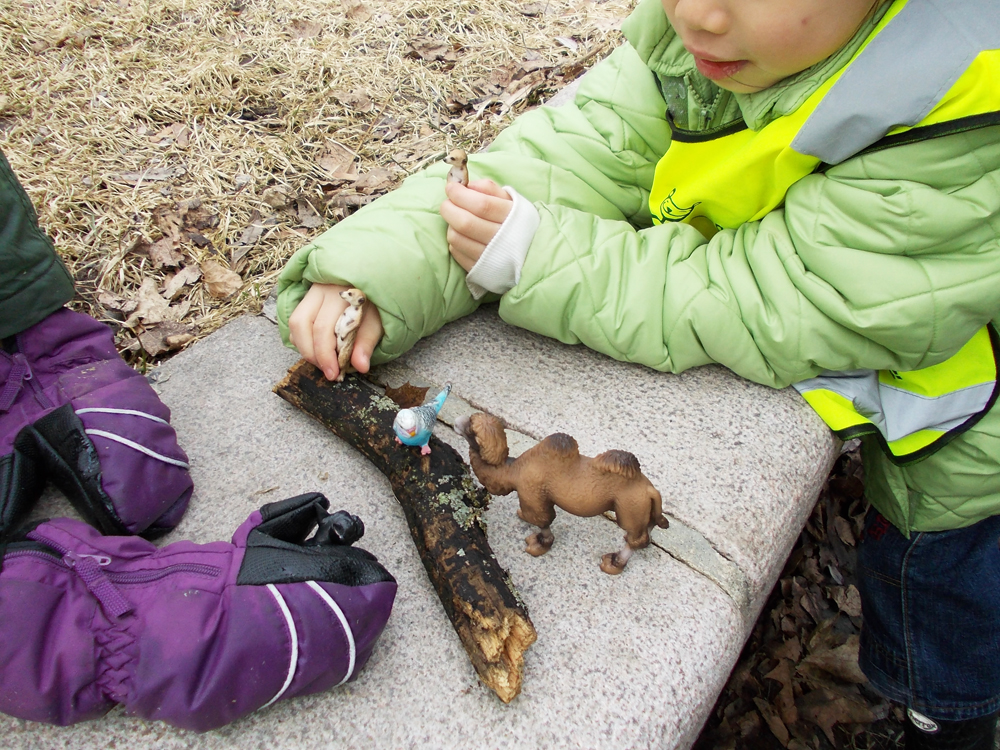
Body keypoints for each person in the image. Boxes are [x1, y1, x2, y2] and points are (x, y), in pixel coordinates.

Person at [275, 0, 1000, 746]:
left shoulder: (961, 103)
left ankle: (947, 716)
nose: (695, 13)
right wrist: (374, 273)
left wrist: (540, 258)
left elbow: (775, 301)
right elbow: (563, 156)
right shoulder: (707, 45)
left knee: (935, 611)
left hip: (961, 445)